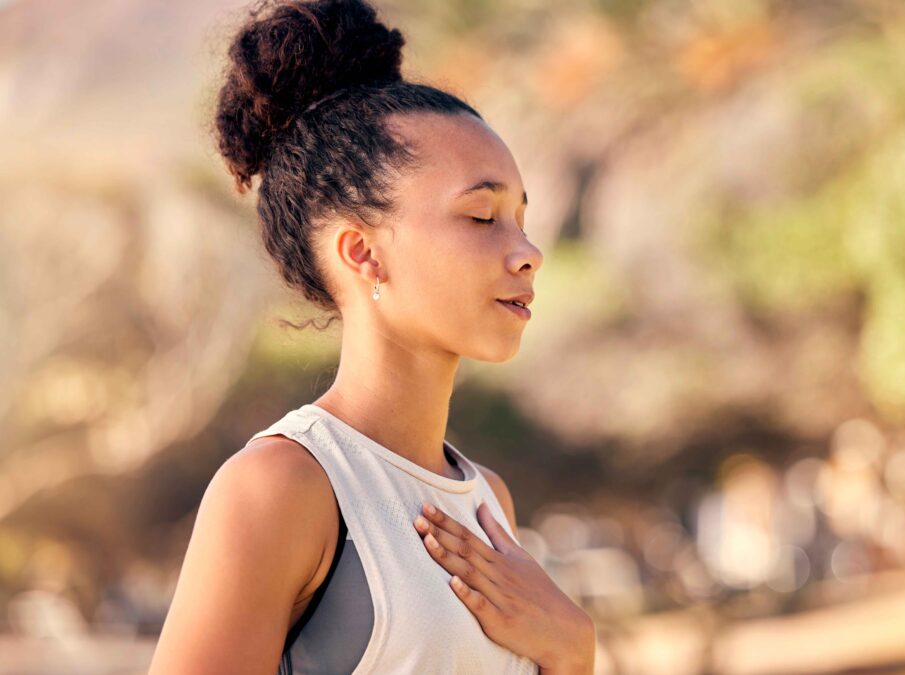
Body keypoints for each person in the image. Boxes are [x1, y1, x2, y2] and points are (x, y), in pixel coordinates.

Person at [147, 0, 597, 673]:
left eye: (520, 217)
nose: (527, 250)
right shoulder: (283, 487)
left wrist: (573, 649)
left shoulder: (487, 500)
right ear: (363, 254)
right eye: (481, 216)